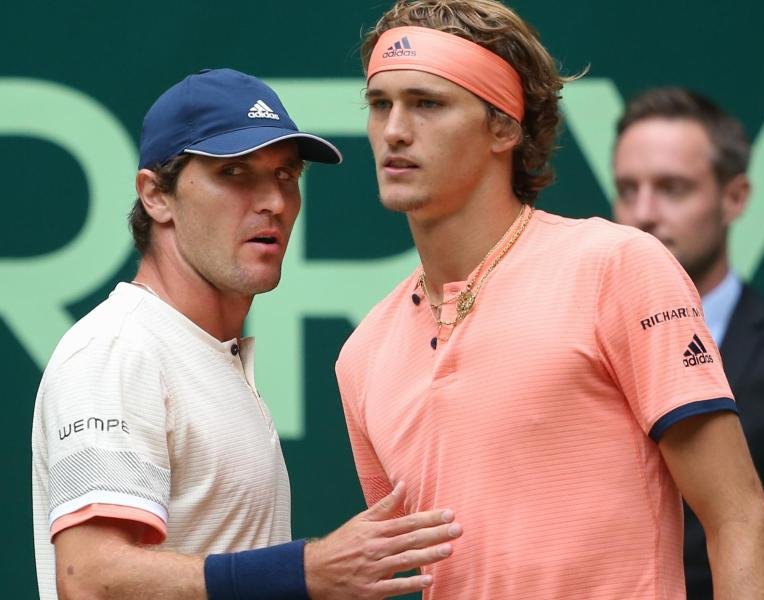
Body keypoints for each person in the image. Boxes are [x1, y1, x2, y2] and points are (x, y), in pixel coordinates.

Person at [334, 1, 764, 598]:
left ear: (504, 127)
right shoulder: (361, 355)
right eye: (379, 104)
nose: (393, 129)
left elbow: (741, 522)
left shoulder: (619, 265)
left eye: (428, 103)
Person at [31, 68, 463, 600]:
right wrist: (305, 572)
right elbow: (89, 579)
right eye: (235, 173)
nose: (274, 203)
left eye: (286, 176)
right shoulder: (118, 350)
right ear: (156, 196)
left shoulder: (203, 353)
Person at [613, 86, 764, 599]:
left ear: (735, 197)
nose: (644, 212)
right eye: (628, 189)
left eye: (672, 188)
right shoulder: (569, 353)